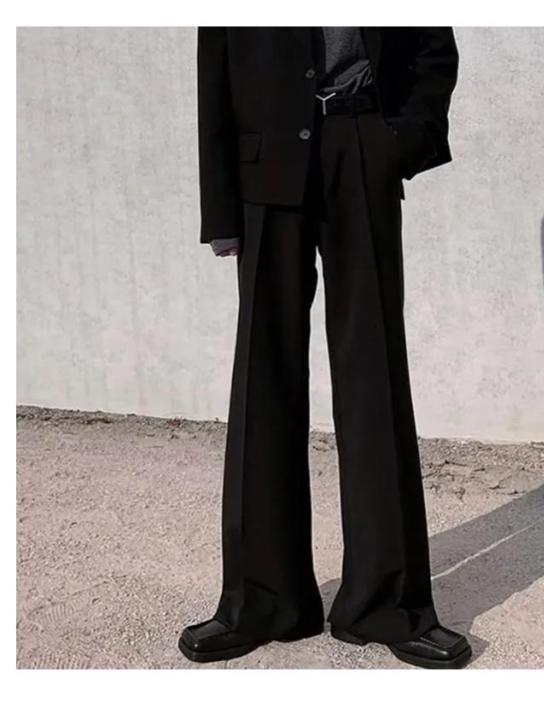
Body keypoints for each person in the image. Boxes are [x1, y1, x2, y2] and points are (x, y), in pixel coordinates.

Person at [178, 27, 471, 670]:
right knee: (264, 379)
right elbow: (216, 70)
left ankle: (387, 603)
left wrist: (399, 142)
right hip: (265, 166)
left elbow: (433, 50)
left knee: (374, 377)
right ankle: (262, 601)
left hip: (361, 148)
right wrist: (220, 211)